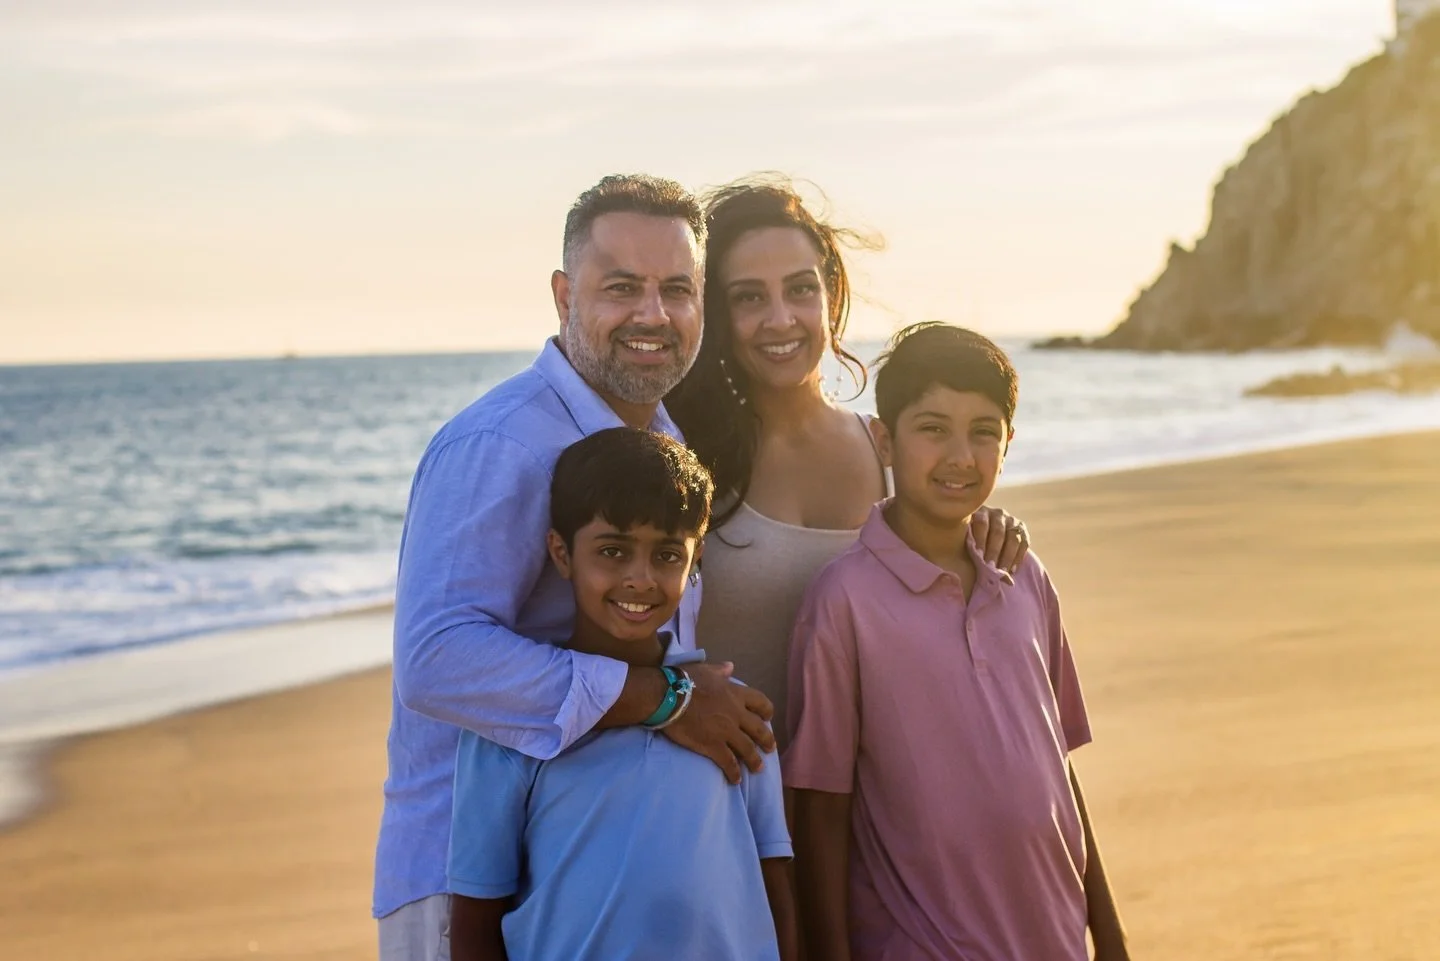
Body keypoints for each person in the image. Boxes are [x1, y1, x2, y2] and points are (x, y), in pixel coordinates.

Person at [375, 174, 775, 961]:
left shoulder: (665, 444)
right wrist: (663, 700)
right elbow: (437, 659)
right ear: (564, 296)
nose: (653, 315)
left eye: (677, 290)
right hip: (469, 888)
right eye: (621, 287)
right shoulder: (500, 443)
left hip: (600, 880)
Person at [784, 323, 1130, 961]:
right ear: (885, 440)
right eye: (933, 428)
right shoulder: (844, 602)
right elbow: (821, 808)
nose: (961, 456)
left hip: (1055, 940)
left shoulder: (1026, 577)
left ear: (1009, 443)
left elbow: (1061, 774)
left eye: (983, 432)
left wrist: (1108, 934)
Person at [665, 177, 1029, 739]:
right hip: (729, 796)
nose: (781, 319)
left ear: (831, 294)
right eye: (749, 297)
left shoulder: (889, 451)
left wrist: (986, 526)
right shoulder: (685, 461)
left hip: (876, 804)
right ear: (716, 311)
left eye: (800, 289)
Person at [447, 428, 798, 961]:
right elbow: (475, 918)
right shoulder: (513, 727)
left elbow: (775, 881)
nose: (640, 579)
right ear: (561, 554)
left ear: (695, 559)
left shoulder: (737, 713)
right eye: (613, 550)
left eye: (666, 555)